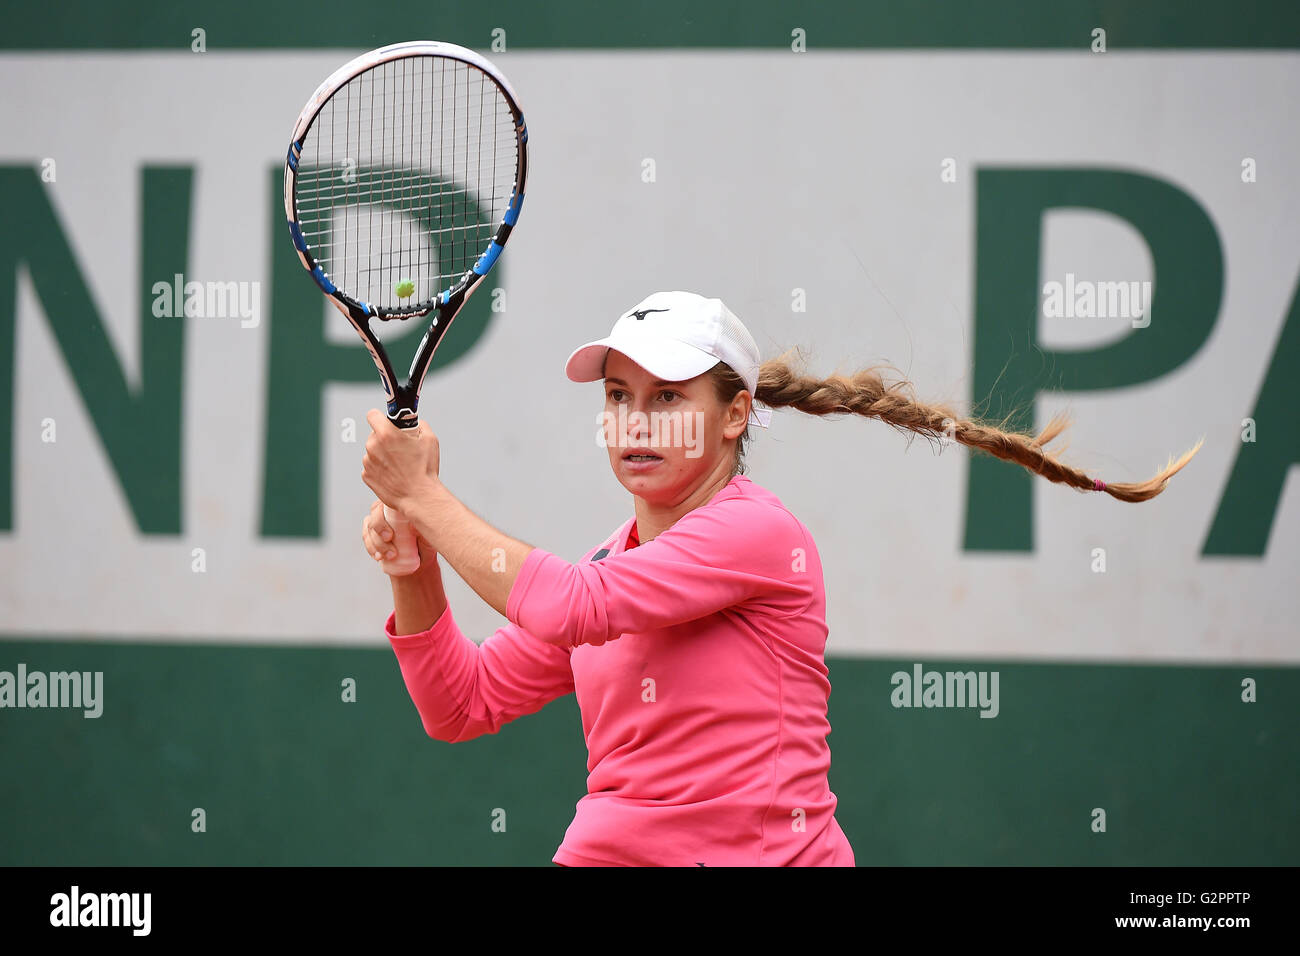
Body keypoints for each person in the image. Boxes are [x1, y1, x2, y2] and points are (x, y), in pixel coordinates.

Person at [358, 290, 1201, 867]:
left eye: (667, 397)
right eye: (619, 397)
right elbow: (459, 706)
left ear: (734, 416)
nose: (634, 422)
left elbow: (573, 606)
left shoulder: (758, 534)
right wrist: (413, 565)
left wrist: (423, 496)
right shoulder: (614, 565)